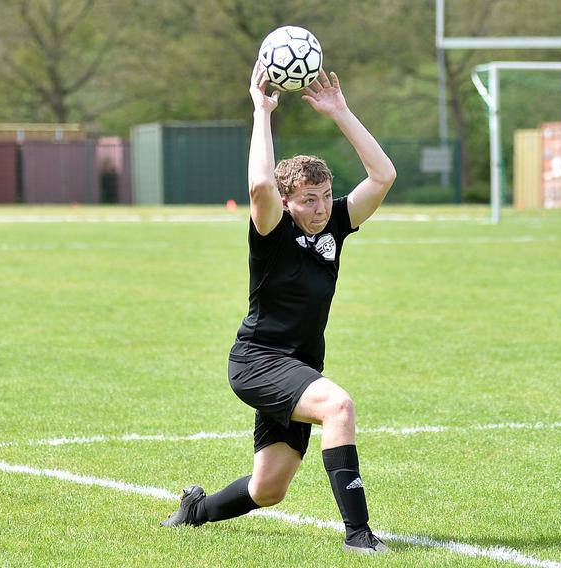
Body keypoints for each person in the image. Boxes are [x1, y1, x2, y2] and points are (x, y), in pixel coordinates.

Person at [161, 60, 397, 555]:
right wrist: (261, 112)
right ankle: (359, 536)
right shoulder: (272, 231)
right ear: (288, 203)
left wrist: (341, 112)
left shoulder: (335, 223)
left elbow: (382, 174)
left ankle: (195, 510)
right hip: (258, 362)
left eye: (326, 197)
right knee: (339, 406)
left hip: (300, 365)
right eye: (309, 200)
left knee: (269, 489)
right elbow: (260, 187)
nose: (319, 208)